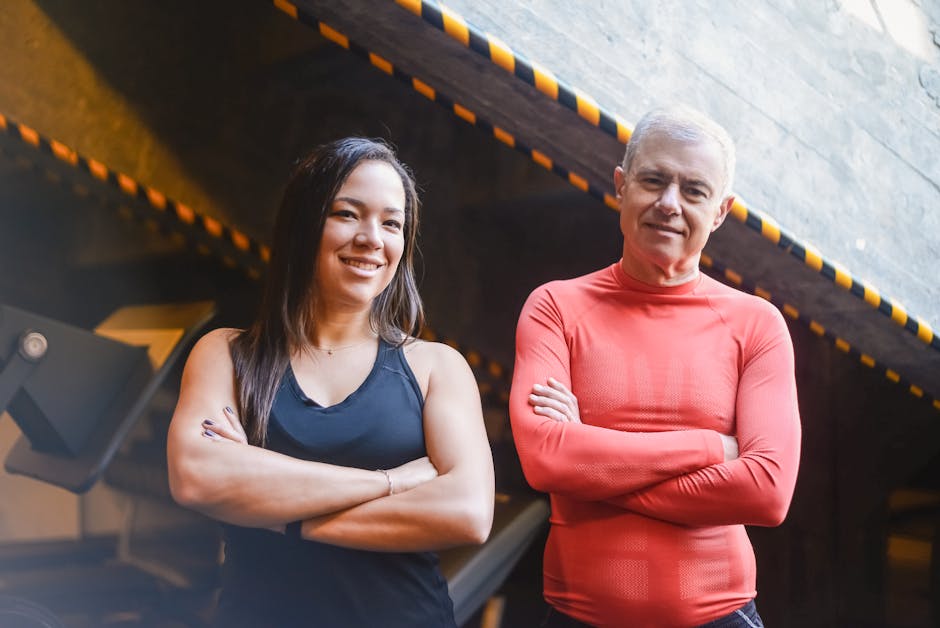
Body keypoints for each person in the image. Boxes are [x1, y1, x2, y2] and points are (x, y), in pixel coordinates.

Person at [166, 138, 495, 628]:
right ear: (304, 223)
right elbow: (198, 478)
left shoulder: (436, 367)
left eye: (391, 223)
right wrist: (392, 482)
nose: (371, 238)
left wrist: (273, 510)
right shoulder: (226, 354)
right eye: (347, 213)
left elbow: (466, 513)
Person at [509, 106, 801, 628]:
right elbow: (545, 461)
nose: (669, 204)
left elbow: (768, 490)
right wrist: (711, 448)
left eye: (694, 190)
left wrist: (591, 462)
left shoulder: (757, 325)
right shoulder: (555, 307)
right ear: (621, 185)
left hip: (720, 616)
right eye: (653, 180)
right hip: (579, 617)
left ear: (720, 211)